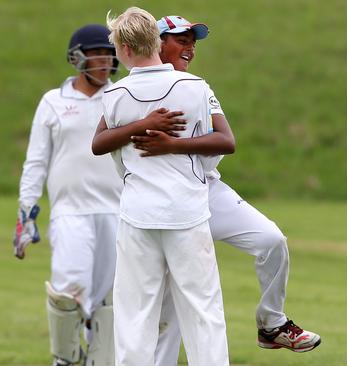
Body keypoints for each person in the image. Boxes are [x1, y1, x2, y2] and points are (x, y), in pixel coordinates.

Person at [91, 15, 321, 362]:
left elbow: (225, 141)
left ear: (126, 48)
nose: (189, 47)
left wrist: (169, 144)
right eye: (181, 39)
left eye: (192, 41)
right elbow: (102, 142)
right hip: (173, 207)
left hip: (194, 192)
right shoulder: (181, 88)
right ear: (157, 41)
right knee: (184, 311)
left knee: (271, 240)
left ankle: (272, 323)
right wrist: (150, 129)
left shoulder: (181, 87)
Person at [103, 7, 231, 366]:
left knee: (135, 313)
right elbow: (220, 147)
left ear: (125, 49)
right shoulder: (195, 87)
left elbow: (100, 145)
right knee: (202, 309)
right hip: (187, 211)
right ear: (155, 43)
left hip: (137, 214)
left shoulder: (116, 94)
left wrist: (137, 128)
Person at [14, 24, 122, 366]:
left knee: (110, 302)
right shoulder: (53, 101)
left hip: (118, 213)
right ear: (77, 58)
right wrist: (25, 214)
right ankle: (65, 359)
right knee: (67, 291)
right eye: (97, 55)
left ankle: (99, 361)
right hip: (70, 212)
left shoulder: (122, 97)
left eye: (109, 55)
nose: (105, 62)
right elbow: (36, 162)